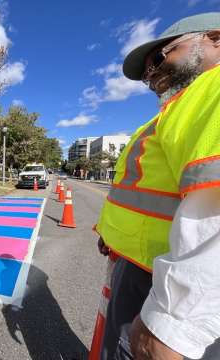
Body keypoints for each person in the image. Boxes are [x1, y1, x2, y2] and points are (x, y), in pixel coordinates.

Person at [94, 13, 220, 360]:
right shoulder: (175, 110)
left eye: (160, 57)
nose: (150, 74)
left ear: (214, 38)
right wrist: (112, 234)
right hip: (142, 269)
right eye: (145, 71)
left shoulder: (211, 91)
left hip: (172, 292)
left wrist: (172, 324)